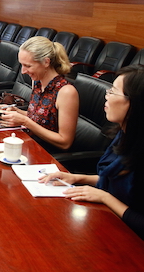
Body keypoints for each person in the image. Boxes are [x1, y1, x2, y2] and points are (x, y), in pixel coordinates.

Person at [40, 65, 144, 239]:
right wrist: (76, 178)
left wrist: (106, 198)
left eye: (113, 92)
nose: (106, 95)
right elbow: (116, 181)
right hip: (107, 220)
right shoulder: (125, 134)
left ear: (135, 104)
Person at [0, 36, 79, 152]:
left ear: (46, 62)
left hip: (47, 154)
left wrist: (25, 121)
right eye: (22, 65)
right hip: (28, 144)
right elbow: (38, 117)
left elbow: (65, 142)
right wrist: (16, 111)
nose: (23, 72)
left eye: (28, 66)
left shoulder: (66, 92)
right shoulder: (36, 81)